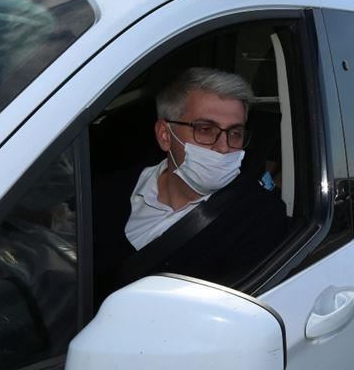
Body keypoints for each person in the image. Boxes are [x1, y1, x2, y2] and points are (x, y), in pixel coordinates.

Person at [96, 68, 287, 296]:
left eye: (235, 133)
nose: (224, 147)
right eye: (205, 130)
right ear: (165, 135)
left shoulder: (259, 218)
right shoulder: (105, 191)